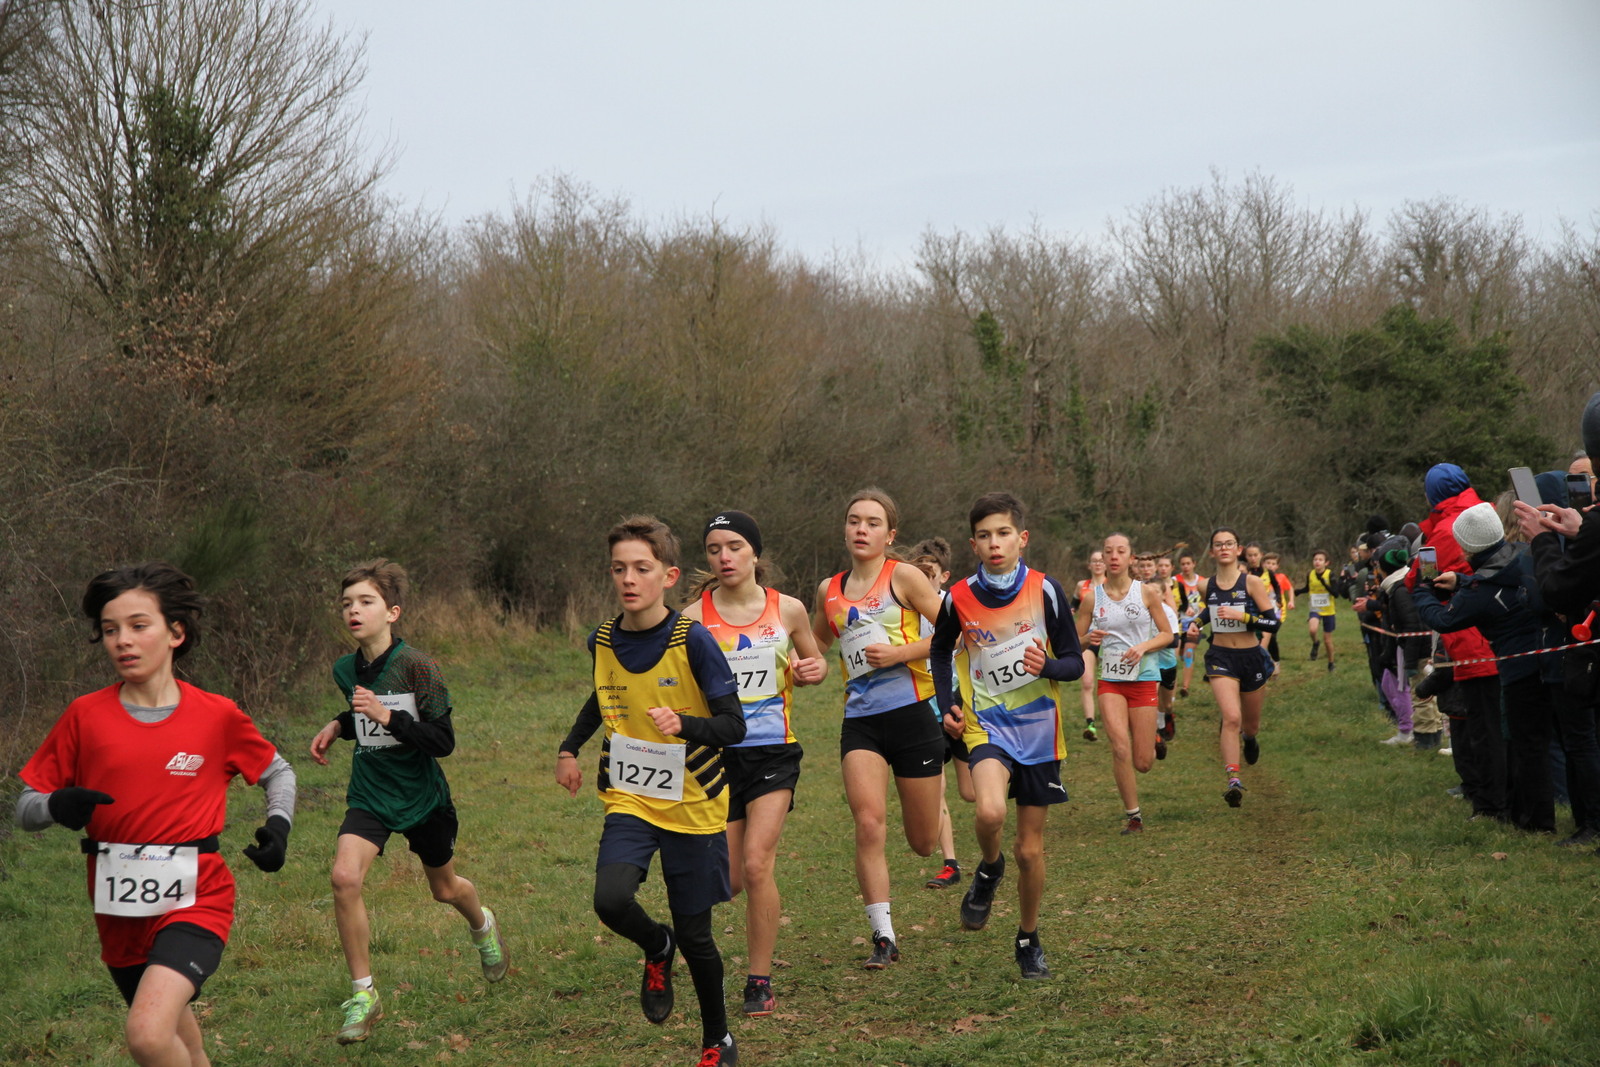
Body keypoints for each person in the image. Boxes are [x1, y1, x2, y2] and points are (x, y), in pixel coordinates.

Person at [16, 562, 295, 1067]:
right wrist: (55, 805)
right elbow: (24, 808)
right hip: (118, 911)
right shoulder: (84, 716)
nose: (122, 640)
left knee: (147, 1035)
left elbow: (279, 772)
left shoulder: (216, 715)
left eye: (138, 625)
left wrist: (279, 825)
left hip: (197, 898)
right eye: (110, 629)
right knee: (183, 1044)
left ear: (175, 633)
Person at [555, 517, 745, 1067]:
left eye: (641, 568)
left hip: (693, 801)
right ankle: (656, 946)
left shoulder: (694, 640)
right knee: (610, 899)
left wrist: (685, 724)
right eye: (619, 569)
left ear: (669, 576)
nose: (628, 579)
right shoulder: (602, 639)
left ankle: (717, 1039)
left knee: (697, 935)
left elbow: (733, 726)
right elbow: (602, 696)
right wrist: (569, 748)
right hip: (631, 796)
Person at [308, 559, 508, 1045]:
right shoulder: (344, 669)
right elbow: (360, 709)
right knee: (343, 877)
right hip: (371, 793)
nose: (354, 611)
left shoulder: (419, 666)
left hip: (422, 798)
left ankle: (482, 925)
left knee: (445, 890)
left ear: (392, 612)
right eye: (347, 603)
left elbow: (442, 740)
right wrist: (339, 724)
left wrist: (386, 717)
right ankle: (364, 994)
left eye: (366, 601)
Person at [929, 493, 1083, 979]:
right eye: (984, 535)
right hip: (987, 725)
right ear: (973, 544)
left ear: (1022, 539)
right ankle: (990, 867)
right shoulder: (958, 596)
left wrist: (1048, 665)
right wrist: (948, 703)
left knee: (1030, 852)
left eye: (1003, 533)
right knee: (990, 811)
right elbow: (939, 651)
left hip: (1039, 731)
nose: (994, 543)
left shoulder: (1046, 590)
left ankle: (1028, 937)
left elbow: (1075, 663)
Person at [682, 511, 827, 1017]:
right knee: (730, 882)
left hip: (772, 752)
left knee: (756, 863)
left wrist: (811, 670)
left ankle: (759, 981)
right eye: (714, 549)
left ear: (755, 554)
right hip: (717, 756)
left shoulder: (788, 609)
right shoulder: (692, 619)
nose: (724, 557)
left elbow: (815, 661)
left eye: (735, 546)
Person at [810, 489, 946, 968]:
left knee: (923, 842)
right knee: (868, 823)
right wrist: (807, 666)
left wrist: (900, 653)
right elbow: (817, 645)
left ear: (890, 535)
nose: (861, 529)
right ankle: (883, 936)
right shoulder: (829, 589)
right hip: (861, 721)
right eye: (854, 521)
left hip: (914, 715)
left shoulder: (903, 576)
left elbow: (954, 632)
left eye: (872, 522)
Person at [1412, 503, 1560, 834]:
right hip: (1550, 657)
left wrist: (1422, 593)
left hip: (1518, 668)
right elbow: (1499, 585)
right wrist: (1462, 581)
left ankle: (1537, 823)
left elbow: (1443, 619)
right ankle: (1562, 815)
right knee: (1551, 741)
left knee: (1526, 745)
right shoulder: (1522, 554)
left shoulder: (1478, 592)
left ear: (1466, 547)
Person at [1415, 464, 1506, 822]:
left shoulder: (1448, 528)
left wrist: (1423, 586)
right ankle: (1501, 798)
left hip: (1471, 642)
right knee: (1496, 725)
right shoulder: (1486, 511)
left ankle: (1490, 804)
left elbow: (1419, 579)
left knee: (1481, 728)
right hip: (1496, 637)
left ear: (1434, 494)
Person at [1077, 534, 1174, 833]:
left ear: (1131, 558)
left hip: (1143, 679)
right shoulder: (1092, 598)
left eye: (1121, 551)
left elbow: (1167, 634)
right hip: (1111, 681)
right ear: (1103, 559)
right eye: (1108, 552)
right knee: (1120, 747)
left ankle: (1153, 738)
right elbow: (1071, 643)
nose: (1114, 556)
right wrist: (1087, 638)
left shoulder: (1146, 593)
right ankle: (1134, 816)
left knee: (1143, 762)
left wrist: (1143, 647)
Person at [1189, 529, 1278, 807]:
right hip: (1221, 656)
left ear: (1238, 549)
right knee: (1231, 717)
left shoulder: (1252, 583)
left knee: (1250, 725)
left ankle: (1250, 739)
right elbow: (1211, 610)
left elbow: (1273, 623)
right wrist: (1197, 623)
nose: (1224, 548)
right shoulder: (1205, 585)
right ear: (1212, 552)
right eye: (1218, 545)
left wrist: (1243, 616)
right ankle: (1233, 780)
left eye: (1229, 544)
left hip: (1251, 657)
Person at [909, 537, 974, 892]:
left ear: (943, 576)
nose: (921, 579)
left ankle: (1013, 772)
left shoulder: (954, 605)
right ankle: (950, 864)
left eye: (928, 573)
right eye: (916, 572)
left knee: (971, 793)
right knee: (938, 790)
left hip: (958, 704)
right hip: (923, 710)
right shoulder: (902, 610)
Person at [1072, 551, 1106, 739]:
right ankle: (1090, 725)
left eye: (1101, 561)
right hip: (1088, 638)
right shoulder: (1081, 586)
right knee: (1087, 682)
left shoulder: (1112, 584)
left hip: (1109, 639)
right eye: (1094, 561)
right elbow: (1073, 606)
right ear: (1089, 565)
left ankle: (1114, 720)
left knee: (1110, 682)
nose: (1098, 564)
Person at [1298, 550, 1339, 671]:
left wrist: (1324, 584)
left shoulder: (1330, 574)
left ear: (1326, 563)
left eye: (1320, 560)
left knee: (1327, 640)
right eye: (1315, 559)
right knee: (1312, 629)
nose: (1317, 562)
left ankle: (1331, 663)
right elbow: (1308, 588)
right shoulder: (1310, 574)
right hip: (1315, 607)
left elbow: (1336, 594)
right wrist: (1298, 592)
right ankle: (1315, 643)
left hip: (1328, 610)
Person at [1174, 551, 1205, 698]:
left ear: (1194, 564)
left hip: (1195, 624)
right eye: (1183, 564)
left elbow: (1206, 601)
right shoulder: (1175, 581)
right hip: (1178, 624)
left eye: (1188, 563)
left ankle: (1185, 687)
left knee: (1188, 652)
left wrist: (1201, 614)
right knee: (1180, 654)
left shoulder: (1202, 581)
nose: (1186, 566)